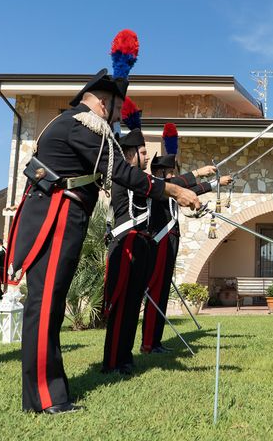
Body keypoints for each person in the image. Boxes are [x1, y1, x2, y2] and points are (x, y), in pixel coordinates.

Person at [4, 30, 200, 414]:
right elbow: (122, 173)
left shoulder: (82, 125)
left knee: (51, 304)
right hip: (56, 215)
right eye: (116, 106)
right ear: (102, 102)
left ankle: (47, 393)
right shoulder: (82, 123)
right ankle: (45, 398)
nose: (116, 116)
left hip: (65, 212)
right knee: (45, 306)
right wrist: (175, 192)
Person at [140, 123, 232, 354]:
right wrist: (202, 175)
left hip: (170, 241)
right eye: (171, 172)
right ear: (161, 174)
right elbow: (183, 184)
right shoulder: (158, 187)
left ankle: (155, 341)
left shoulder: (168, 187)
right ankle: (149, 343)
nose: (174, 176)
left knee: (161, 293)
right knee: (156, 290)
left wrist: (215, 184)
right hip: (159, 242)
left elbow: (191, 189)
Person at [102, 99, 154, 374]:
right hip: (126, 244)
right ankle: (112, 361)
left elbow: (166, 186)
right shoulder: (126, 176)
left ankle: (125, 356)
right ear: (132, 153)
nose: (148, 157)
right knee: (122, 304)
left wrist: (202, 182)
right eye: (144, 152)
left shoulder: (139, 177)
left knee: (134, 303)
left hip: (140, 243)